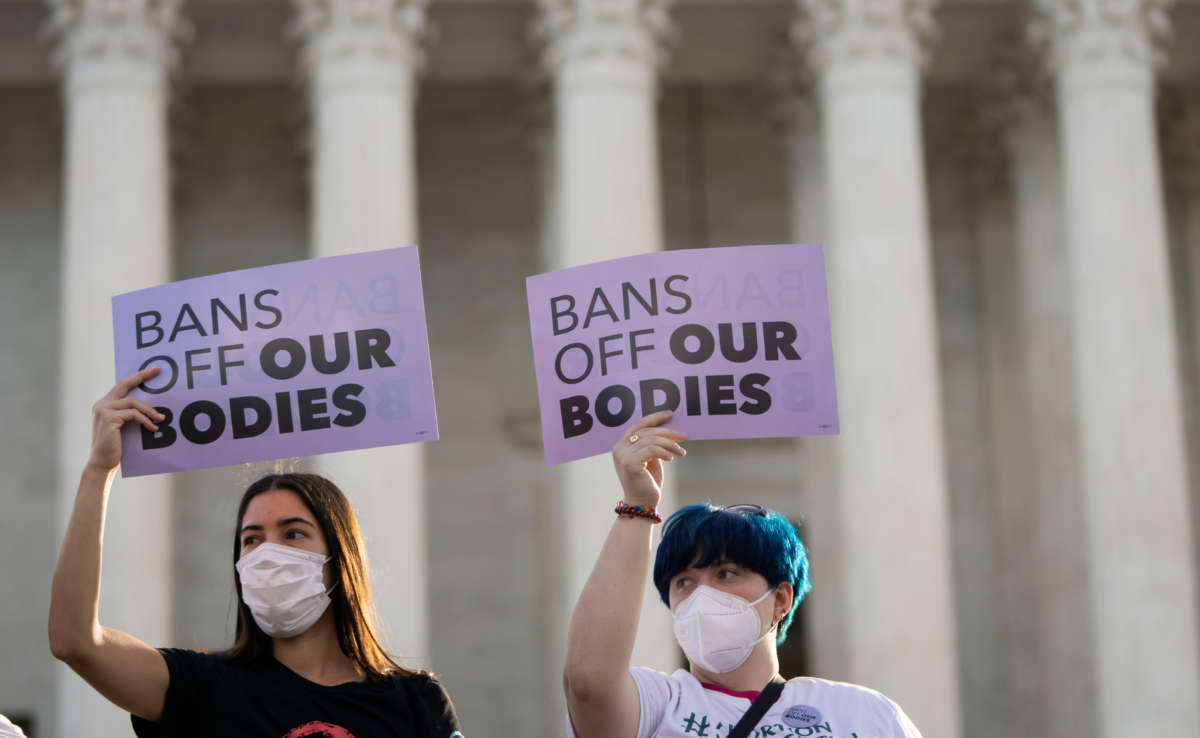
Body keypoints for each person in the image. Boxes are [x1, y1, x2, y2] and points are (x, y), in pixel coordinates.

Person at [49, 368, 462, 737]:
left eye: (294, 534)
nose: (268, 553)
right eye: (251, 539)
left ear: (341, 559)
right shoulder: (202, 687)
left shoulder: (415, 700)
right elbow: (76, 643)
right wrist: (99, 471)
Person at [563, 410, 922, 738]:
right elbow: (587, 683)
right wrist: (638, 505)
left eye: (727, 574)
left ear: (781, 599)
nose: (701, 593)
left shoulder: (865, 715)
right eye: (683, 581)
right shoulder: (654, 706)